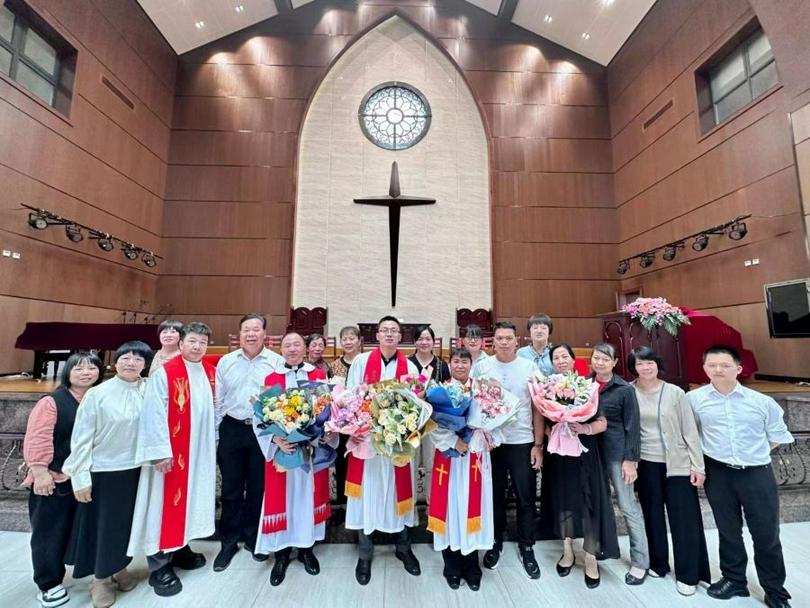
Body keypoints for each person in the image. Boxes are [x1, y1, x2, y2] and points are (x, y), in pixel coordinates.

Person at [688, 345, 794, 608]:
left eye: (724, 365)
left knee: (766, 534)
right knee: (728, 530)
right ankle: (734, 580)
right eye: (712, 365)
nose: (718, 370)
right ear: (704, 369)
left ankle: (775, 590)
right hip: (718, 473)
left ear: (739, 368)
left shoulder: (761, 402)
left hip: (756, 473)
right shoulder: (695, 400)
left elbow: (778, 438)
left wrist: (753, 453)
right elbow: (692, 435)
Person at [127, 322, 217, 597]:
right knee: (163, 505)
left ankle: (180, 547)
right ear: (180, 343)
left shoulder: (207, 371)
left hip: (197, 450)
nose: (197, 346)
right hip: (171, 454)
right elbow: (153, 414)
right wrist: (159, 452)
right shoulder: (166, 373)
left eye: (202, 342)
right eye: (192, 341)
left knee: (190, 499)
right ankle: (159, 565)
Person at [62, 341, 151, 608]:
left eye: (138, 359)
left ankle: (119, 567)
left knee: (126, 525)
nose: (131, 362)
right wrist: (80, 476)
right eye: (126, 357)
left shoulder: (148, 391)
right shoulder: (98, 394)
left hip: (137, 468)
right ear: (115, 361)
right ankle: (99, 579)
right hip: (105, 470)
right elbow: (80, 438)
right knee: (104, 527)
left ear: (145, 365)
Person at [23, 352, 103, 608]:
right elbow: (38, 437)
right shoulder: (52, 402)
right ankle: (48, 583)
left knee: (78, 529)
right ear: (67, 372)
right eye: (79, 369)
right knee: (49, 532)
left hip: (86, 477)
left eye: (92, 368)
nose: (86, 373)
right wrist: (40, 471)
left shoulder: (97, 398)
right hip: (56, 477)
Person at [628, 346, 710, 596]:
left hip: (678, 464)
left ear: (657, 364)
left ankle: (688, 574)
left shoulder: (675, 392)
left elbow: (690, 431)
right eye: (640, 363)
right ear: (634, 367)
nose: (646, 367)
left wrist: (698, 466)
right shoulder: (628, 392)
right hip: (645, 463)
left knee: (683, 519)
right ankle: (658, 563)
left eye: (650, 362)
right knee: (651, 515)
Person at [345, 315, 420, 585]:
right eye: (384, 330)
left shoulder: (409, 367)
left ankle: (404, 547)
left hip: (397, 443)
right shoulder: (361, 362)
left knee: (399, 490)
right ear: (376, 335)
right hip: (367, 443)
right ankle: (365, 553)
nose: (389, 334)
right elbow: (351, 397)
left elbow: (415, 405)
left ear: (401, 337)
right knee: (368, 492)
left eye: (394, 331)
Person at [539, 343, 619, 589]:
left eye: (565, 356)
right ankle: (568, 550)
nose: (561, 360)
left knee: (589, 500)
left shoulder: (587, 386)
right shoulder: (547, 388)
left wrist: (583, 428)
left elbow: (602, 422)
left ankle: (591, 556)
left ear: (574, 360)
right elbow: (542, 421)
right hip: (559, 454)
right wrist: (552, 430)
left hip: (584, 452)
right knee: (562, 498)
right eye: (556, 357)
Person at [254, 332, 331, 586]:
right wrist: (275, 440)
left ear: (305, 348)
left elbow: (327, 410)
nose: (292, 349)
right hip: (282, 454)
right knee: (283, 499)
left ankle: (306, 549)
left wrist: (321, 435)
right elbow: (260, 416)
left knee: (305, 497)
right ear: (280, 349)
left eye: (297, 344)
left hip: (309, 453)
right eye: (287, 345)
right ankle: (282, 553)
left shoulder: (317, 376)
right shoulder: (271, 378)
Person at [213, 313, 284, 570]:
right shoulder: (226, 361)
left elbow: (281, 400)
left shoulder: (276, 362)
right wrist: (217, 434)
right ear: (239, 334)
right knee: (231, 487)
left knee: (258, 486)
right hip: (232, 427)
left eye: (256, 329)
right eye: (246, 330)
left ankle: (254, 537)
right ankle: (228, 541)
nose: (251, 334)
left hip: (262, 430)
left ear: (265, 334)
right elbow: (218, 401)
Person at [473, 321, 541, 579]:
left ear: (517, 341)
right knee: (494, 496)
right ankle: (494, 541)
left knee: (525, 498)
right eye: (499, 338)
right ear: (493, 342)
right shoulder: (482, 367)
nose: (503, 342)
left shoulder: (529, 367)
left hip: (522, 441)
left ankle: (527, 545)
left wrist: (538, 444)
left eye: (508, 338)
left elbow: (538, 407)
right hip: (492, 442)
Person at [428, 347, 490, 591]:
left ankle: (472, 564)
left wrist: (475, 440)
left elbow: (491, 421)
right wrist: (455, 442)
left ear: (470, 364)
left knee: (471, 508)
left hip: (475, 457)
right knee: (451, 508)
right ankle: (451, 564)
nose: (461, 365)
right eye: (456, 361)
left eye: (465, 361)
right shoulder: (438, 392)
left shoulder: (482, 392)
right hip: (449, 460)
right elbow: (433, 425)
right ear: (450, 364)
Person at [590, 342, 650, 585]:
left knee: (627, 506)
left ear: (614, 363)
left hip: (617, 455)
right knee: (598, 504)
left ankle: (640, 561)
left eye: (605, 359)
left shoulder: (624, 389)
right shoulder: (584, 384)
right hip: (592, 454)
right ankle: (602, 548)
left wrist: (630, 460)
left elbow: (633, 426)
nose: (599, 362)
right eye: (596, 358)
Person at [328, 325, 362, 517]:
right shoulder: (334, 366)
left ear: (359, 340)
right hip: (340, 425)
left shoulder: (365, 362)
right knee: (341, 462)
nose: (348, 342)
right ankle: (342, 504)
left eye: (352, 338)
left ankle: (359, 504)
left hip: (361, 424)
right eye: (345, 339)